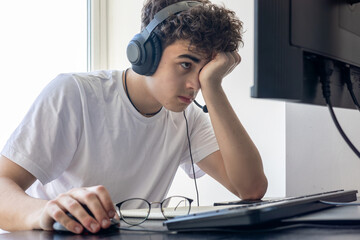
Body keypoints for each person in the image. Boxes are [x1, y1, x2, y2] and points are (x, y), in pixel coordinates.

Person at [0, 0, 267, 234]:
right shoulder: (75, 94)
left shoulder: (187, 117)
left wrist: (214, 86)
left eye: (204, 71)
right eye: (186, 64)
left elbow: (250, 189)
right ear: (145, 53)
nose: (193, 84)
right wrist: (45, 212)